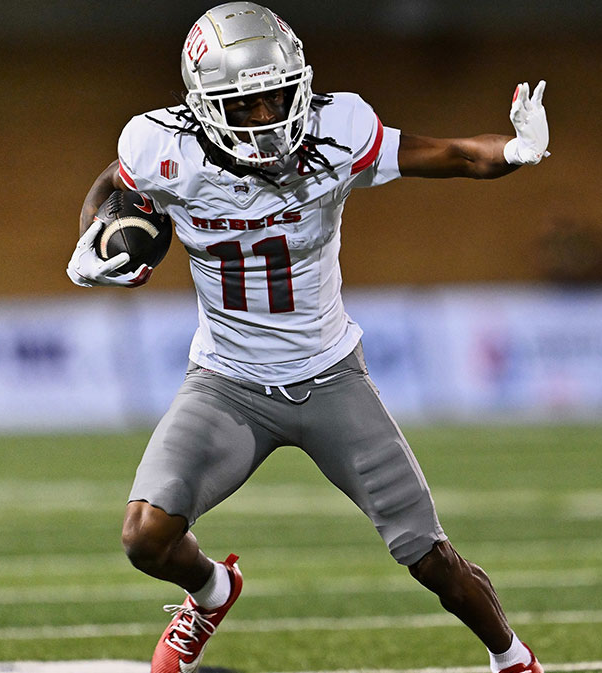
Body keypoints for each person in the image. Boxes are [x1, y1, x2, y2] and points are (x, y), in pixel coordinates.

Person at [66, 4, 549, 673]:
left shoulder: (337, 130)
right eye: (247, 104)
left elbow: (455, 155)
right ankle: (211, 591)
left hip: (330, 378)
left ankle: (514, 658)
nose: (269, 118)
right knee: (146, 537)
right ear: (203, 107)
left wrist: (515, 150)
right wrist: (95, 231)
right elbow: (114, 184)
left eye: (277, 96)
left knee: (428, 555)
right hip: (226, 384)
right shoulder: (162, 148)